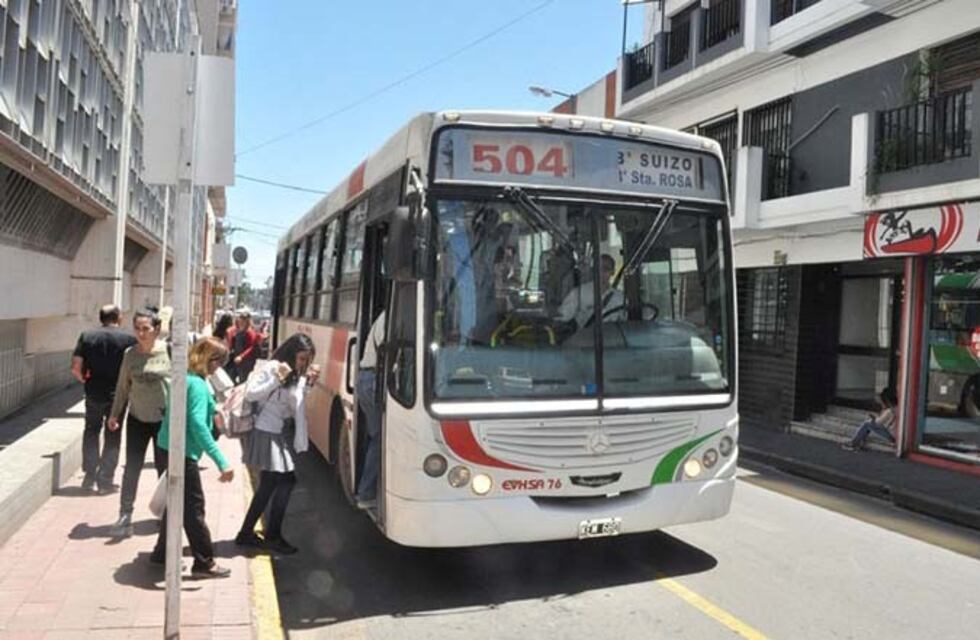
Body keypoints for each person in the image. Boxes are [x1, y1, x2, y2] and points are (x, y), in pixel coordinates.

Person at [149, 337, 235, 578]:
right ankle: (204, 562)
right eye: (220, 362)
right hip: (182, 453)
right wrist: (222, 461)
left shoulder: (184, 378)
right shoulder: (196, 385)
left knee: (175, 502)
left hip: (167, 447)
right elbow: (197, 424)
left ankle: (160, 553)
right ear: (211, 360)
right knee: (194, 508)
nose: (220, 367)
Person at [235, 333, 319, 554]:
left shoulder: (293, 374)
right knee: (286, 480)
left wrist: (307, 384)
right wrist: (277, 378)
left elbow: (293, 406)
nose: (304, 363)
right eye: (301, 358)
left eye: (308, 360)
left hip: (276, 431)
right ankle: (271, 535)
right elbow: (252, 393)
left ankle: (247, 533)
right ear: (291, 354)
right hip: (265, 430)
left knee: (270, 485)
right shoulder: (274, 367)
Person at [107, 308, 171, 537]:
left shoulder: (170, 352)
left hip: (164, 421)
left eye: (146, 329)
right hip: (137, 419)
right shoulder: (130, 354)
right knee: (131, 468)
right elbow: (123, 387)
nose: (141, 333)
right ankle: (125, 514)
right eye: (137, 329)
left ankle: (167, 514)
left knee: (165, 469)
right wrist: (114, 415)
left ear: (156, 329)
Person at [71, 304, 138, 493]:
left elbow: (76, 366)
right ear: (119, 318)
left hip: (93, 391)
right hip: (118, 393)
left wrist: (84, 379)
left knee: (91, 430)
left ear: (101, 318)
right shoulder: (129, 339)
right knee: (113, 434)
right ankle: (105, 479)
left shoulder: (87, 336)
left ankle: (89, 475)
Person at [355, 311, 386, 510]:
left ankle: (367, 490)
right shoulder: (393, 317)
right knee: (380, 438)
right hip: (373, 381)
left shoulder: (384, 316)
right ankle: (366, 493)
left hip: (367, 378)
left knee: (376, 436)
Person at [557, 254, 625, 329]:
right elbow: (562, 318)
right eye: (598, 268)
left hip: (613, 338)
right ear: (593, 270)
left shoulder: (620, 298)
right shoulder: (579, 293)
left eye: (606, 269)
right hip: (585, 338)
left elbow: (624, 324)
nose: (601, 272)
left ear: (613, 272)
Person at [227, 309, 260, 383]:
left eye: (243, 320)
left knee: (244, 381)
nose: (241, 322)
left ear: (247, 321)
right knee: (230, 378)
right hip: (236, 359)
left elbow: (251, 347)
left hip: (246, 361)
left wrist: (241, 356)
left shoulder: (249, 332)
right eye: (240, 320)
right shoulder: (238, 330)